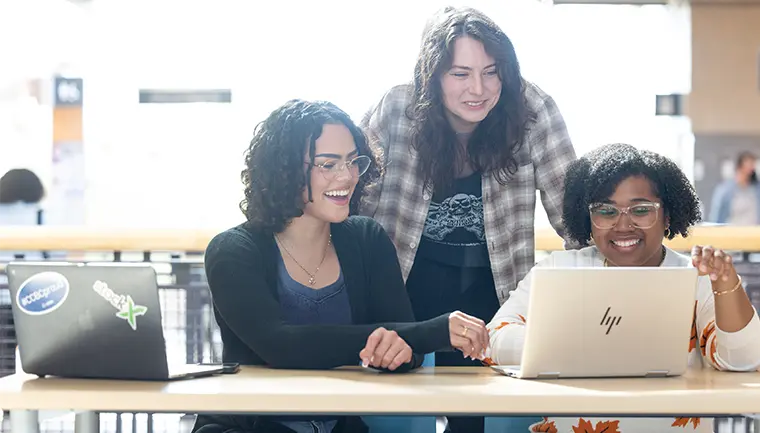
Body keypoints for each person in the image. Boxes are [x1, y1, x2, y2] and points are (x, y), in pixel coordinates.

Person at [193, 100, 489, 433]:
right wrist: (431, 333)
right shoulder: (233, 250)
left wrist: (398, 353)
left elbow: (407, 345)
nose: (346, 176)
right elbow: (281, 345)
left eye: (352, 162)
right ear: (285, 170)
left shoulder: (366, 239)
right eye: (328, 164)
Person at [360, 6, 576, 432]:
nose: (477, 89)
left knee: (491, 422)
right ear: (432, 75)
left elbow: (575, 217)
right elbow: (351, 202)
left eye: (491, 72)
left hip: (495, 300)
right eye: (460, 74)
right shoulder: (397, 109)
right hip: (406, 297)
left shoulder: (531, 110)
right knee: (400, 422)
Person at [486, 143, 760, 433]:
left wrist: (726, 283)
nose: (623, 225)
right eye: (606, 211)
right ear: (588, 220)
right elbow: (495, 338)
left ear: (667, 216)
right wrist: (568, 343)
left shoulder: (696, 277)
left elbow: (743, 360)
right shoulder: (560, 269)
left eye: (641, 210)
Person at [709, 151, 760, 224]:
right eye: (749, 165)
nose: (751, 169)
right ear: (740, 167)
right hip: (733, 232)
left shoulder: (756, 189)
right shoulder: (725, 190)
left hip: (753, 233)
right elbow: (716, 216)